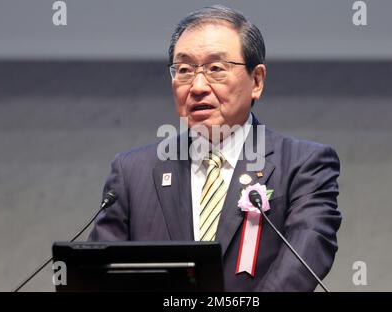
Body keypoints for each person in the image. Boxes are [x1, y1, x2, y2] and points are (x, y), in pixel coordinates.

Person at [89, 5, 342, 292]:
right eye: (184, 69)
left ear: (256, 81)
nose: (197, 86)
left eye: (215, 69)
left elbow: (302, 262)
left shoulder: (303, 166)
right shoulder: (132, 172)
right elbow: (102, 276)